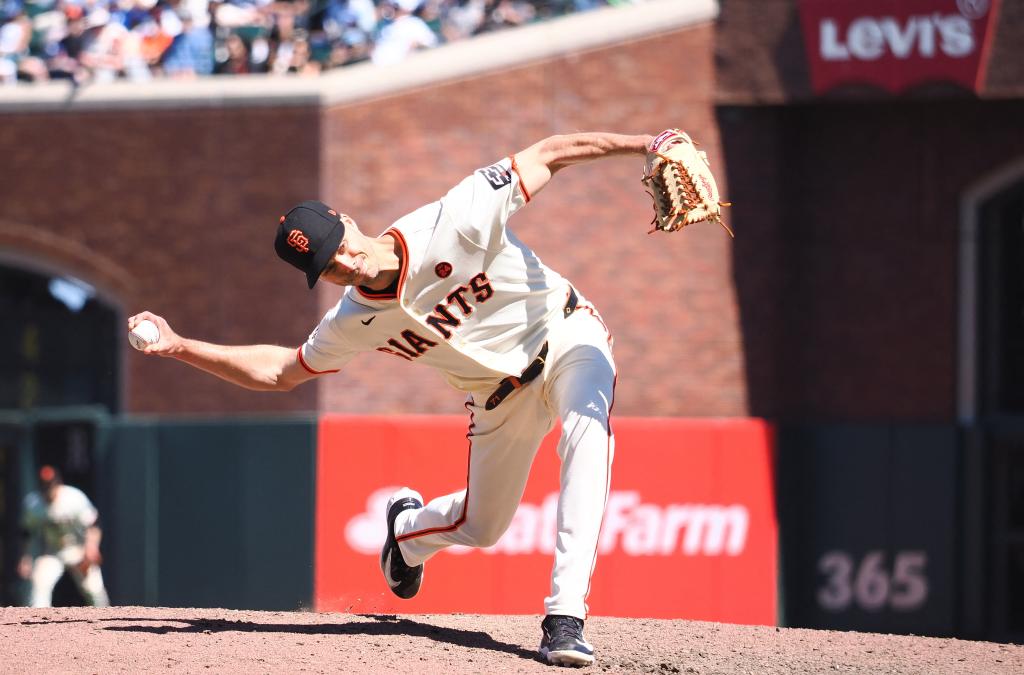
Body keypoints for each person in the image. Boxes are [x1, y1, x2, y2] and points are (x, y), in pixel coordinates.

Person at [129, 129, 657, 666]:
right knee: (483, 526)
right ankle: (406, 533)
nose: (347, 263)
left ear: (349, 221)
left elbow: (550, 153)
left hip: (567, 334)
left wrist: (649, 143)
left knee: (588, 435)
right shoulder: (354, 321)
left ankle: (564, 617)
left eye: (342, 246)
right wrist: (180, 347)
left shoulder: (453, 218)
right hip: (497, 399)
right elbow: (282, 372)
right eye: (329, 267)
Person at [18, 465, 110, 608]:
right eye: (45, 486)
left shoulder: (73, 498)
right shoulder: (34, 503)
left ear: (58, 483)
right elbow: (27, 532)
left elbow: (94, 523)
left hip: (79, 549)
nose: (48, 489)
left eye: (51, 485)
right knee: (40, 583)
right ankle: (37, 625)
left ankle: (106, 618)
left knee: (94, 591)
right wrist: (26, 557)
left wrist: (91, 547)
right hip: (53, 552)